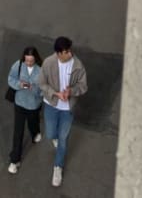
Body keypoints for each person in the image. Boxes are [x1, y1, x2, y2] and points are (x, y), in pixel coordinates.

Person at [39, 36, 88, 188]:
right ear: (58, 53)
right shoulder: (48, 63)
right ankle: (55, 138)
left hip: (68, 109)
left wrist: (71, 91)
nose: (70, 54)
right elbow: (41, 83)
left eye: (70, 50)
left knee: (63, 138)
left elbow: (83, 86)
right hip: (51, 104)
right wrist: (55, 93)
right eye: (66, 52)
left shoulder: (78, 66)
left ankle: (58, 167)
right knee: (50, 133)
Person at [7, 46, 44, 174]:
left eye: (31, 61)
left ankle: (35, 133)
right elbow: (11, 79)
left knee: (33, 123)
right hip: (19, 103)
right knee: (18, 132)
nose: (28, 63)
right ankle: (14, 160)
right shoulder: (18, 65)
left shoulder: (41, 71)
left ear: (36, 59)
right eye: (26, 60)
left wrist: (33, 89)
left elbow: (43, 90)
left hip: (33, 105)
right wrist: (19, 85)